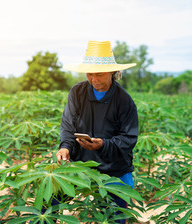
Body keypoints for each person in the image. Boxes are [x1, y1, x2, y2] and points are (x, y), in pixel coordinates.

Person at [56, 41, 138, 224]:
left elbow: (129, 138)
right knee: (48, 206)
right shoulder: (77, 92)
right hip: (81, 166)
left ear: (113, 73)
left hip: (114, 171)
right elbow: (68, 125)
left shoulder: (124, 101)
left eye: (99, 74)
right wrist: (65, 147)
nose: (94, 79)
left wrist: (103, 144)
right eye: (90, 74)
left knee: (114, 219)